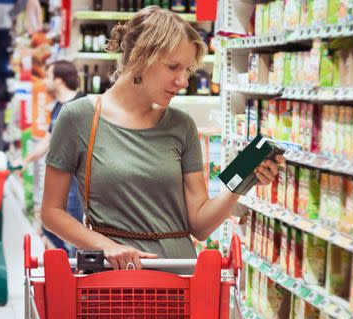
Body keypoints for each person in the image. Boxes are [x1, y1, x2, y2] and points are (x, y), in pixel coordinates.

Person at [41, 6, 284, 271]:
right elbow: (52, 213)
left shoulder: (181, 125)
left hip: (182, 280)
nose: (182, 81)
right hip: (114, 284)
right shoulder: (79, 118)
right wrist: (106, 246)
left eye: (188, 70)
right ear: (139, 56)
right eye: (173, 67)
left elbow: (200, 226)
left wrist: (244, 178)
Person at [24, 60, 85, 256]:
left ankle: (79, 274)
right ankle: (64, 268)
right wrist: (25, 160)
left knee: (75, 227)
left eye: (48, 76)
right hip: (60, 176)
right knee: (54, 225)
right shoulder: (58, 106)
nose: (45, 81)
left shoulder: (83, 104)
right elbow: (48, 140)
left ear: (59, 80)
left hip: (78, 179)